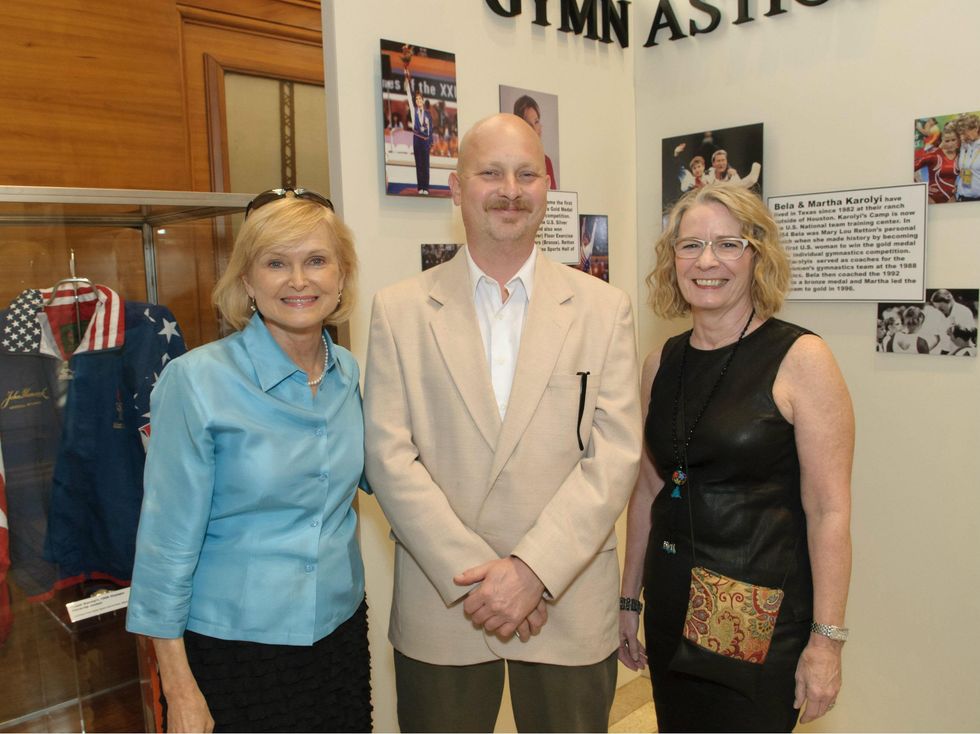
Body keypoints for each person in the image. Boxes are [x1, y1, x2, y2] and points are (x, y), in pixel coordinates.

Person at [364, 113, 641, 733]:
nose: (510, 190)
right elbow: (388, 457)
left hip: (564, 600)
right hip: (446, 604)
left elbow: (615, 456)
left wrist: (532, 570)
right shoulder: (398, 310)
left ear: (547, 187)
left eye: (526, 174)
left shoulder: (604, 308)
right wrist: (483, 583)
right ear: (457, 189)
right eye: (490, 173)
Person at [126, 189, 371, 733]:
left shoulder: (349, 373)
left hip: (338, 637)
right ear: (246, 281)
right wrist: (179, 688)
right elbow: (164, 547)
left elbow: (391, 474)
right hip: (235, 651)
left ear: (342, 275)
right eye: (276, 263)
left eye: (316, 260)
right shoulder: (196, 383)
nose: (299, 281)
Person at [619, 184, 854, 731]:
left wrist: (828, 642)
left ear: (757, 255)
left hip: (758, 616)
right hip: (674, 602)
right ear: (670, 258)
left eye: (728, 244)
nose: (706, 261)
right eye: (690, 245)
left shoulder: (802, 359)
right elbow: (648, 490)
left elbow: (829, 511)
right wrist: (629, 599)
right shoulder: (662, 361)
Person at [514, 94, 559, 189]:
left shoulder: (546, 161)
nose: (534, 129)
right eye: (529, 125)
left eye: (536, 122)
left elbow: (553, 199)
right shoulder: (511, 160)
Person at [914, 123, 960, 203]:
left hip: (953, 199)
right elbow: (909, 169)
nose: (950, 144)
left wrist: (959, 188)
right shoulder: (933, 155)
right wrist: (922, 188)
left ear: (958, 140)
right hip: (933, 200)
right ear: (942, 141)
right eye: (947, 141)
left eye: (953, 140)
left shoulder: (961, 156)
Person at [405, 68, 433, 194]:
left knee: (426, 165)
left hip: (425, 141)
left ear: (423, 100)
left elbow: (431, 129)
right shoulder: (413, 111)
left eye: (420, 99)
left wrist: (430, 143)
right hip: (416, 139)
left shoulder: (427, 114)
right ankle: (420, 188)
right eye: (416, 100)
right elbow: (409, 95)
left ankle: (426, 188)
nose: (418, 101)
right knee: (419, 164)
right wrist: (406, 76)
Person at [955, 113, 980, 201]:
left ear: (976, 128)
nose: (962, 137)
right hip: (962, 198)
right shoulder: (964, 145)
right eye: (961, 133)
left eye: (965, 132)